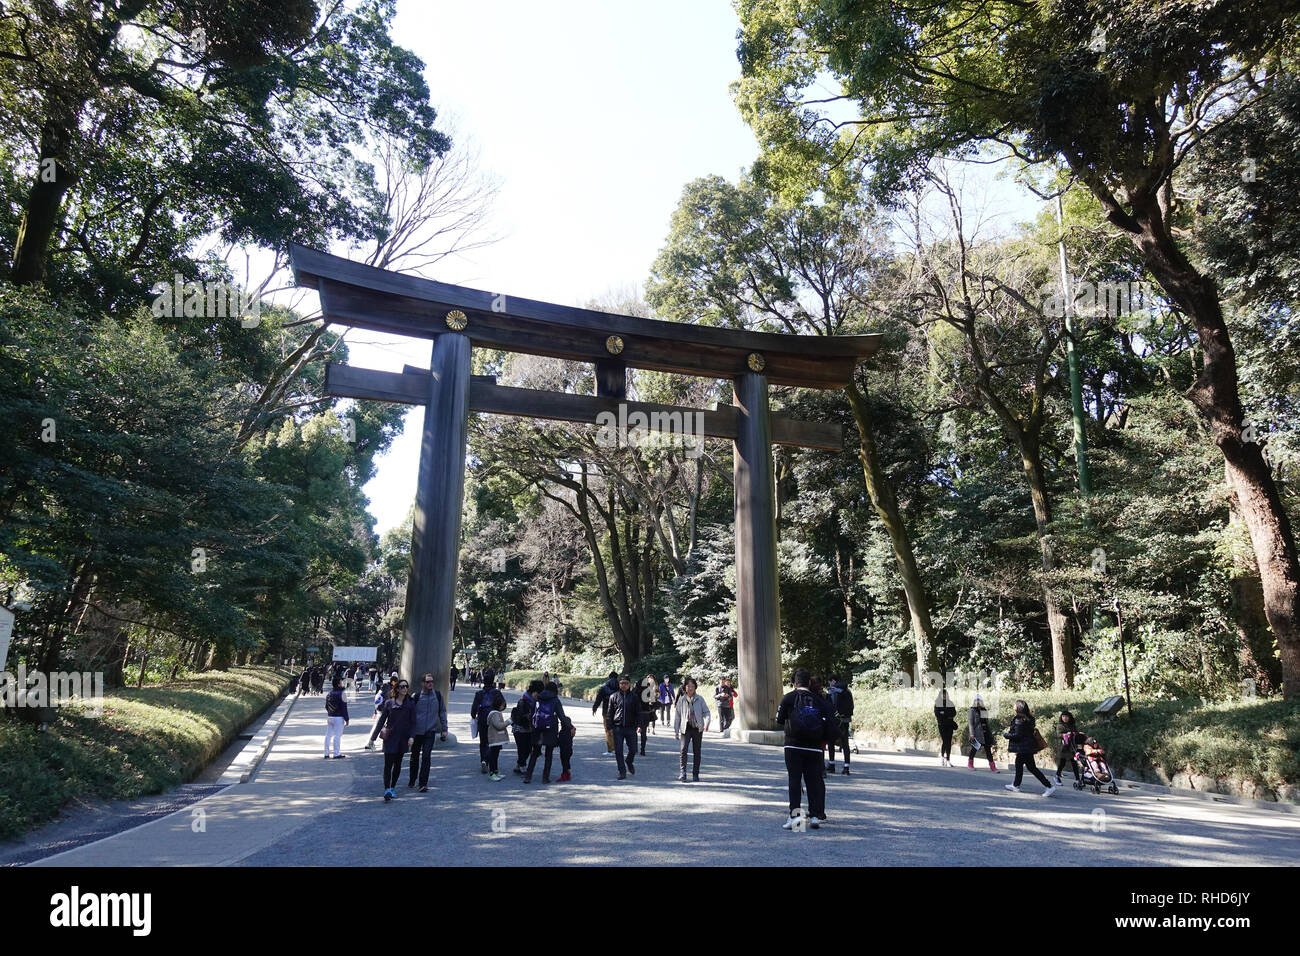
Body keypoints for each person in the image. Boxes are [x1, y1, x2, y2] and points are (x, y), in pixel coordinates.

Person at [776, 668, 833, 829]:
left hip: (793, 745)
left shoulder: (788, 697)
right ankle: (815, 816)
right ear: (809, 682)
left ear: (794, 683)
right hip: (814, 747)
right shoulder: (819, 700)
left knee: (794, 780)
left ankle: (795, 818)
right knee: (813, 780)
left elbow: (779, 720)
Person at [1003, 699, 1056, 796]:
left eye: (1015, 704)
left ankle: (1049, 786)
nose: (1013, 706)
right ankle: (1016, 785)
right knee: (1029, 767)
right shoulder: (1030, 718)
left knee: (1024, 766)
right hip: (1029, 746)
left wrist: (1006, 735)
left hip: (1023, 747)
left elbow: (1018, 735)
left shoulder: (1019, 719)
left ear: (1019, 707)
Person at [375, 678, 415, 802]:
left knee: (397, 765)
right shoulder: (389, 703)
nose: (404, 689)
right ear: (397, 689)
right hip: (390, 738)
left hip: (403, 739)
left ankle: (392, 787)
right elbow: (381, 721)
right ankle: (387, 789)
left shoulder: (410, 704)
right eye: (402, 686)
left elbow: (413, 723)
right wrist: (373, 738)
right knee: (388, 765)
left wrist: (412, 737)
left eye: (406, 686)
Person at [407, 672, 447, 792]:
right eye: (428, 682)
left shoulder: (438, 696)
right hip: (417, 732)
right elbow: (409, 714)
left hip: (430, 731)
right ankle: (412, 779)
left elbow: (442, 712)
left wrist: (444, 729)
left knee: (426, 757)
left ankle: (423, 783)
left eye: (432, 681)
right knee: (414, 757)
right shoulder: (416, 696)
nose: (430, 684)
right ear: (423, 683)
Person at [525, 680, 567, 783]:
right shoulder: (555, 700)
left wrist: (532, 726)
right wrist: (570, 726)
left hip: (537, 728)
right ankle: (545, 777)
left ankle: (528, 776)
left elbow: (532, 714)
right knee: (549, 754)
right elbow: (561, 716)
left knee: (535, 753)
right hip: (550, 728)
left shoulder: (538, 698)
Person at [673, 677, 710, 782]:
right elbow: (677, 716)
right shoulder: (681, 700)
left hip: (697, 728)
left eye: (692, 686)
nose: (690, 688)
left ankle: (695, 773)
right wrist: (676, 730)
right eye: (688, 686)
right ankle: (683, 772)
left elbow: (706, 712)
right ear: (685, 687)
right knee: (683, 750)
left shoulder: (700, 699)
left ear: (695, 688)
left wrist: (706, 723)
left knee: (697, 751)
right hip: (686, 728)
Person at [606, 675, 643, 779]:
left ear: (629, 684)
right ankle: (622, 771)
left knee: (633, 749)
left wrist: (639, 725)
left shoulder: (634, 697)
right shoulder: (613, 696)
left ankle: (629, 761)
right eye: (622, 683)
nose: (624, 685)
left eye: (626, 683)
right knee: (618, 751)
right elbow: (609, 714)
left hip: (631, 727)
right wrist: (609, 728)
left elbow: (639, 713)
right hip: (618, 728)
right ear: (619, 684)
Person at [470, 669, 506, 773]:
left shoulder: (479, 694)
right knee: (494, 742)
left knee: (483, 742)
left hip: (482, 720)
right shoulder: (497, 693)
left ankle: (483, 760)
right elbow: (504, 705)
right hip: (494, 720)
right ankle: (489, 761)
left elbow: (473, 709)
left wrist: (474, 716)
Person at [825, 674, 854, 775]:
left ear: (833, 681)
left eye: (830, 681)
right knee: (845, 744)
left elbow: (828, 705)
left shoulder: (832, 690)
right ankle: (846, 767)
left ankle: (831, 765)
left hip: (835, 721)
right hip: (846, 720)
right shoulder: (848, 690)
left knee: (831, 742)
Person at [511, 681, 541, 775]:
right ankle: (523, 767)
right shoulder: (524, 700)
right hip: (519, 728)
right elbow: (522, 716)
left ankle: (518, 766)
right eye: (538, 693)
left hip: (528, 728)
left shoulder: (533, 701)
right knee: (522, 748)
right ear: (533, 691)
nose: (538, 695)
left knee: (527, 748)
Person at [967, 694, 999, 772]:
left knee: (988, 750)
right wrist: (972, 734)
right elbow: (971, 723)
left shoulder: (984, 710)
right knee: (974, 749)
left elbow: (986, 722)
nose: (978, 702)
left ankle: (992, 766)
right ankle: (970, 763)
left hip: (985, 733)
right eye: (976, 701)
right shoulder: (972, 710)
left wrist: (989, 732)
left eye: (979, 701)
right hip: (976, 733)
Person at [591, 671, 620, 756]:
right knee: (617, 730)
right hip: (617, 712)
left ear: (609, 677)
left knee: (607, 730)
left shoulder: (603, 687)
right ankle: (617, 748)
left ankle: (610, 749)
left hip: (606, 712)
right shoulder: (620, 687)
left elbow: (598, 699)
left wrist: (594, 708)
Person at [484, 694, 510, 781]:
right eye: (503, 705)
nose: (504, 707)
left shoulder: (497, 713)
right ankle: (492, 773)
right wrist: (508, 722)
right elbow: (498, 726)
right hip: (495, 739)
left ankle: (496, 771)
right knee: (493, 756)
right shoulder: (495, 714)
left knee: (496, 755)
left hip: (497, 739)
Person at [1055, 710, 1084, 785]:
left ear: (1069, 717)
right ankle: (1057, 776)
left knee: (1074, 762)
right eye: (1063, 716)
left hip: (1072, 746)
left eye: (1066, 716)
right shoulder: (1060, 725)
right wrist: (1065, 734)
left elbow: (1075, 732)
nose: (1065, 718)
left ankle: (1078, 779)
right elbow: (1058, 735)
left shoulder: (1072, 724)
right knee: (1062, 763)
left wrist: (1078, 733)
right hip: (1063, 746)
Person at [324, 678, 349, 758]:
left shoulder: (329, 693)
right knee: (337, 736)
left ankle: (326, 753)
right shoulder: (342, 694)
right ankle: (336, 753)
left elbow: (326, 706)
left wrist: (330, 712)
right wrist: (347, 718)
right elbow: (344, 708)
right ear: (338, 684)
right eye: (341, 682)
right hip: (338, 717)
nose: (342, 683)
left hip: (330, 716)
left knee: (328, 735)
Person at [554, 685, 575, 782]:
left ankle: (565, 774)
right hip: (570, 749)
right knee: (567, 762)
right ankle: (567, 773)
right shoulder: (570, 732)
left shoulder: (562, 733)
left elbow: (559, 742)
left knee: (564, 762)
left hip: (564, 750)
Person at [934, 689, 958, 767]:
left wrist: (944, 713)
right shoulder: (937, 703)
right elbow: (937, 714)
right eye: (943, 694)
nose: (944, 696)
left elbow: (954, 713)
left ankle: (948, 759)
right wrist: (947, 714)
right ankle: (942, 757)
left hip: (950, 725)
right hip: (942, 725)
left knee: (949, 742)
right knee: (945, 741)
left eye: (946, 694)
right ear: (940, 695)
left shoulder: (950, 703)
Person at [636, 672, 657, 754]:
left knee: (634, 732)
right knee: (643, 732)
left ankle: (635, 748)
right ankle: (643, 749)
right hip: (645, 714)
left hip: (636, 714)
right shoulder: (649, 691)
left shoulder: (635, 691)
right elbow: (653, 703)